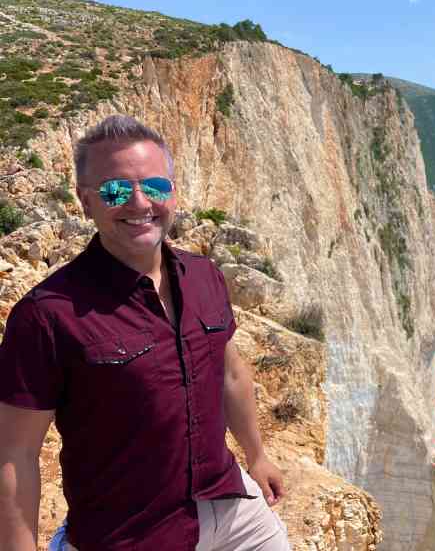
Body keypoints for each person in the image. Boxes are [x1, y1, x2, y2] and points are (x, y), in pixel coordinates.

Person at [0, 115, 292, 550]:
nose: (140, 203)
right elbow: (15, 455)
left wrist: (257, 454)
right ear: (85, 201)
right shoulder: (46, 316)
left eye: (155, 187)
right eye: (115, 191)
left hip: (230, 506)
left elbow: (230, 373)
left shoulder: (204, 276)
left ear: (172, 192)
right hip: (130, 534)